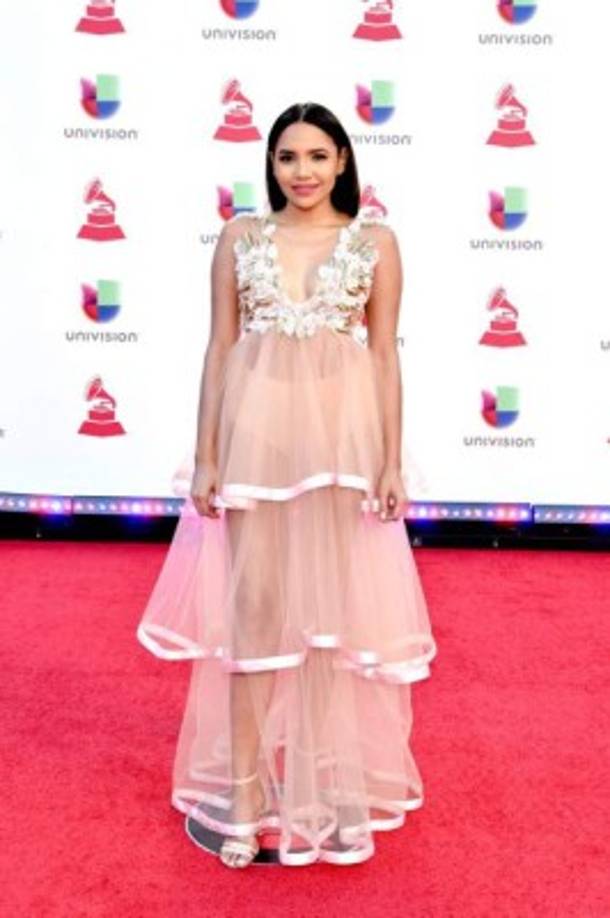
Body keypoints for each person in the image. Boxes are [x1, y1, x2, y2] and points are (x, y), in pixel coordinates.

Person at [136, 101, 437, 868]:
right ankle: (243, 793)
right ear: (270, 165)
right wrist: (205, 457)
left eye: (315, 156)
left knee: (327, 622)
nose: (300, 172)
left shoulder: (375, 243)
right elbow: (219, 348)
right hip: (256, 447)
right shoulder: (242, 237)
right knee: (255, 616)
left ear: (342, 161)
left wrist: (391, 460)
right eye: (285, 158)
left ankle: (320, 792)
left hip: (341, 449)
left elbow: (383, 356)